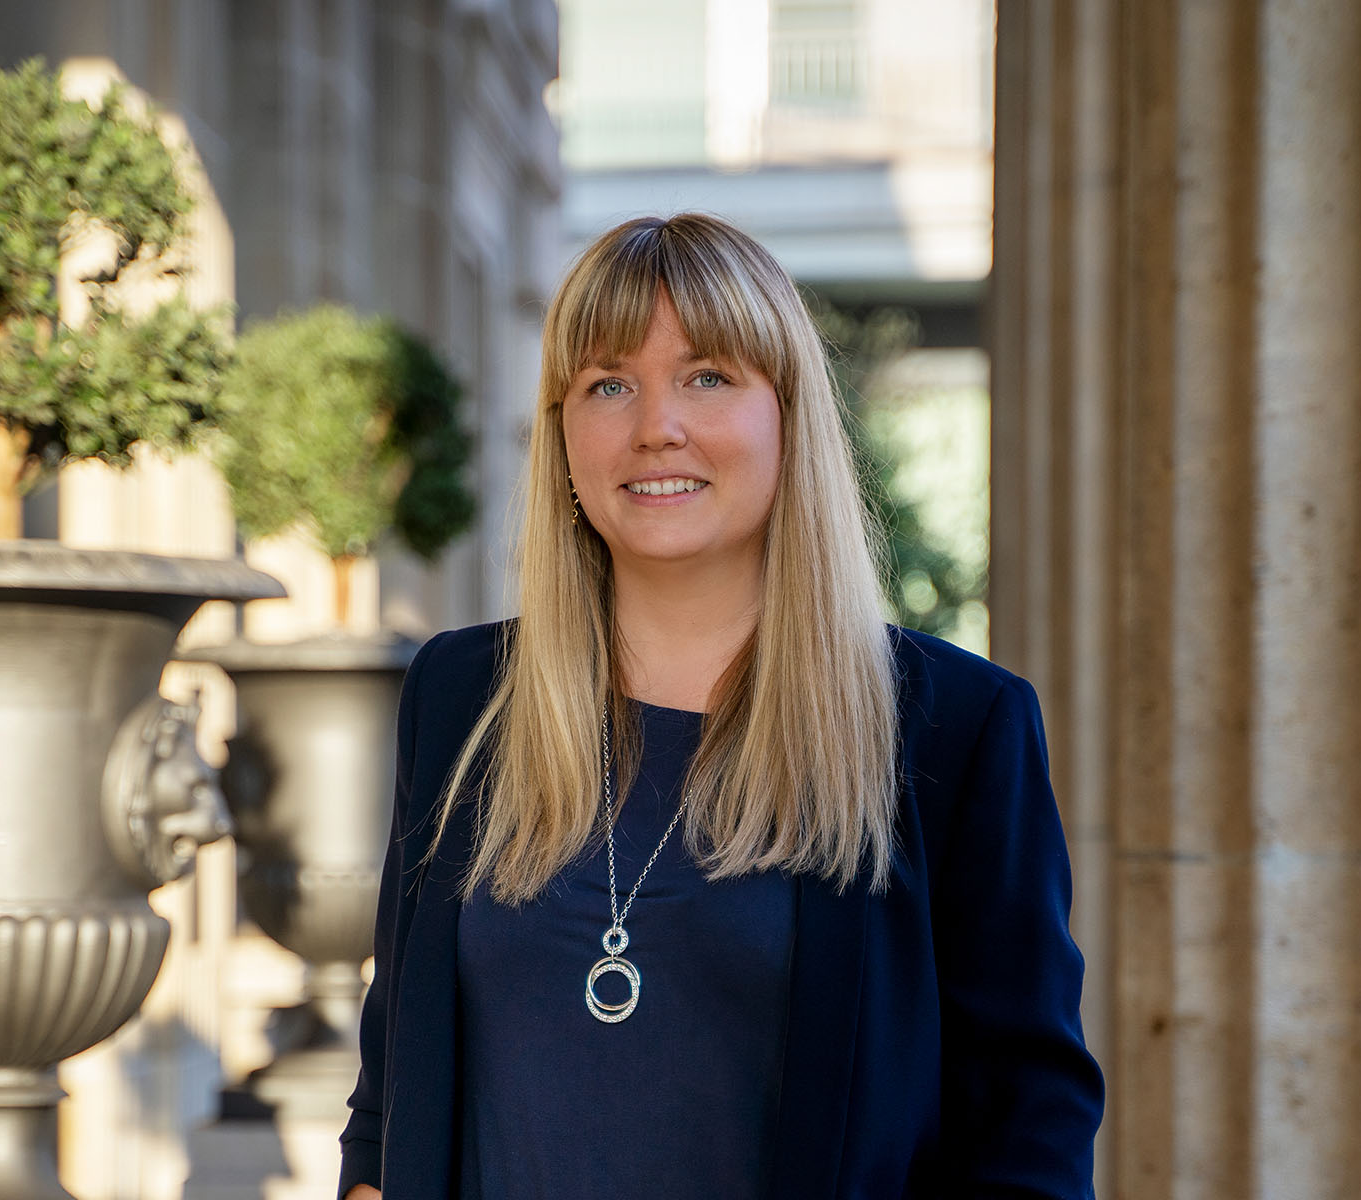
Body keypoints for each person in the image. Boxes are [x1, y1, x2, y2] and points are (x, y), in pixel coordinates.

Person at [338, 213, 1103, 1200]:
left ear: (787, 415)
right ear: (562, 430)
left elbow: (1026, 1122)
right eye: (607, 383)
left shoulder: (953, 728)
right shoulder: (460, 695)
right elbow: (392, 1085)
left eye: (706, 377)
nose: (655, 424)